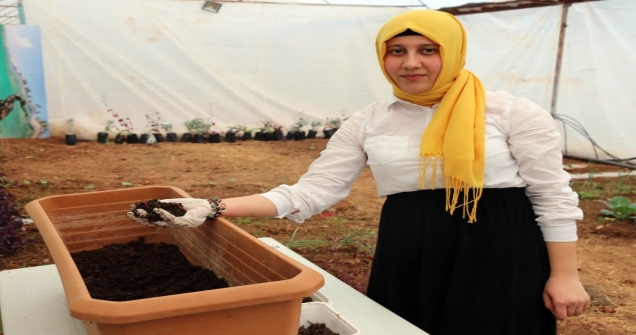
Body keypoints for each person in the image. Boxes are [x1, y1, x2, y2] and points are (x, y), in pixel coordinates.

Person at [128, 9, 590, 334]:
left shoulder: (511, 112)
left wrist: (564, 275)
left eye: (427, 50)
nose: (411, 63)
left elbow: (552, 196)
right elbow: (313, 191)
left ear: (452, 51)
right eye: (397, 51)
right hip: (410, 247)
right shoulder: (370, 119)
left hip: (500, 249)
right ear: (382, 57)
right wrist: (211, 207)